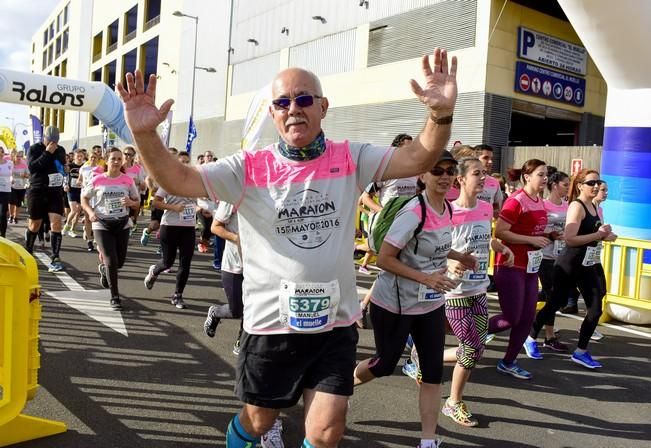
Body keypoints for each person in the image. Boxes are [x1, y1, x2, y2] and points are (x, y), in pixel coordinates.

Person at [118, 47, 458, 447]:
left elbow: (418, 156)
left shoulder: (350, 157)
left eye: (303, 99)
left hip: (335, 324)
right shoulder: (248, 167)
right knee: (259, 422)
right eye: (282, 102)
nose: (293, 108)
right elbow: (177, 179)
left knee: (328, 430)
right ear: (273, 113)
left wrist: (439, 115)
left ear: (323, 106)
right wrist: (144, 134)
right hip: (271, 326)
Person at [353, 151, 476, 447]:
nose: (445, 176)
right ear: (423, 175)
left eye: (449, 170)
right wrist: (425, 277)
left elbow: (435, 246)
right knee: (384, 364)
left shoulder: (446, 209)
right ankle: (339, 388)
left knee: (433, 372)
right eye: (437, 170)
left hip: (430, 304)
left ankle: (428, 440)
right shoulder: (413, 212)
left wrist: (460, 256)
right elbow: (384, 259)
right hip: (394, 303)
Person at [441, 157, 513, 427]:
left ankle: (425, 357)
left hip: (479, 289)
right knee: (470, 348)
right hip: (456, 292)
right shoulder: (448, 212)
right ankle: (453, 402)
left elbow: (484, 237)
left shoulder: (484, 208)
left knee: (476, 348)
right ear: (460, 179)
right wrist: (451, 262)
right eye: (476, 174)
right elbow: (437, 247)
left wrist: (500, 247)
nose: (483, 179)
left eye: (484, 174)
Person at [527, 170, 616, 369]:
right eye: (591, 182)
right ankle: (531, 337)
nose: (596, 186)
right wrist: (598, 235)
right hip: (568, 264)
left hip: (587, 264)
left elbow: (594, 234)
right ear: (580, 185)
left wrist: (606, 235)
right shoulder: (576, 206)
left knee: (595, 308)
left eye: (598, 182)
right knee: (554, 303)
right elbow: (570, 238)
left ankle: (581, 351)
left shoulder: (594, 206)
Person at [488, 159, 549, 380]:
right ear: (527, 177)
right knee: (512, 317)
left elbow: (534, 231)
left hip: (531, 267)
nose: (545, 179)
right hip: (510, 265)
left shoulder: (539, 200)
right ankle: (472, 333)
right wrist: (530, 240)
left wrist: (550, 236)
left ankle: (508, 361)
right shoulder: (516, 201)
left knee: (527, 317)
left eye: (546, 175)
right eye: (541, 174)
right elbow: (501, 232)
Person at [522, 168, 574, 358]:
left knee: (556, 297)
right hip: (544, 256)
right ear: (554, 185)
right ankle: (534, 335)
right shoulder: (543, 205)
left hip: (562, 256)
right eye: (565, 185)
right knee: (553, 296)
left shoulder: (569, 206)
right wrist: (550, 234)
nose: (568, 188)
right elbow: (535, 230)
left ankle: (548, 336)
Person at [81, 147, 140, 310]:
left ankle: (104, 269)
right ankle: (115, 297)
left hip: (122, 223)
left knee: (119, 261)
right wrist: (91, 212)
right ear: (106, 161)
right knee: (111, 260)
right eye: (113, 158)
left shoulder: (128, 180)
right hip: (102, 223)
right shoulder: (97, 179)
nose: (116, 161)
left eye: (119, 159)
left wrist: (131, 204)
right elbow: (84, 198)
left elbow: (137, 202)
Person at [143, 151, 198, 309]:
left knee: (185, 263)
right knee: (167, 262)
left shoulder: (195, 183)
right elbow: (156, 202)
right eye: (181, 162)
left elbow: (201, 200)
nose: (184, 164)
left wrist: (203, 208)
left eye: (187, 162)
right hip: (170, 226)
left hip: (188, 228)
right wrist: (174, 207)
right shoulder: (168, 182)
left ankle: (177, 295)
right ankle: (154, 271)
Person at [24, 126, 67, 272]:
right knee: (35, 224)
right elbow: (33, 167)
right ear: (44, 138)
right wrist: (47, 153)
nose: (53, 143)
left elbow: (61, 166)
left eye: (56, 140)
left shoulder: (61, 150)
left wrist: (64, 168)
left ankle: (55, 257)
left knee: (56, 223)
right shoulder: (34, 149)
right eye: (50, 140)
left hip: (54, 191)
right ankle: (28, 251)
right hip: (37, 190)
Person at [79, 151, 104, 251]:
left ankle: (95, 236)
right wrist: (81, 184)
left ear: (98, 159)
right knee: (88, 218)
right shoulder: (84, 168)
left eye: (95, 157)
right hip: (86, 195)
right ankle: (89, 240)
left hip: (97, 196)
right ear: (88, 158)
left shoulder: (101, 169)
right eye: (91, 157)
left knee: (96, 217)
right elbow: (79, 180)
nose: (93, 159)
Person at [474, 144, 504, 217]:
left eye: (491, 158)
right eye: (486, 158)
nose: (490, 162)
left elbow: (497, 205)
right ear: (475, 159)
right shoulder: (465, 180)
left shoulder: (494, 182)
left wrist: (494, 212)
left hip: (486, 226)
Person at [63, 149, 85, 237]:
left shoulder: (84, 166)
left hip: (81, 191)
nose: (79, 158)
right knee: (74, 210)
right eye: (78, 156)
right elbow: (65, 176)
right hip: (71, 190)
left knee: (78, 212)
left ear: (83, 157)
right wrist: (65, 185)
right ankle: (66, 226)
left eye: (81, 156)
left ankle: (72, 229)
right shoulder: (70, 166)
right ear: (74, 157)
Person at [9, 150, 29, 224]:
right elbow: (8, 174)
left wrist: (24, 175)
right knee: (12, 202)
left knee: (19, 203)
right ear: (14, 157)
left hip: (22, 186)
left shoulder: (24, 164)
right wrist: (11, 179)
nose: (19, 158)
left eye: (20, 156)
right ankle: (11, 216)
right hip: (12, 186)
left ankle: (15, 217)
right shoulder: (11, 164)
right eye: (17, 156)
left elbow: (28, 175)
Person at [0, 150, 13, 237]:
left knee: (2, 213)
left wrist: (12, 179)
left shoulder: (9, 163)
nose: (0, 154)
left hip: (5, 190)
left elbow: (11, 174)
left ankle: (3, 234)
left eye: (1, 152)